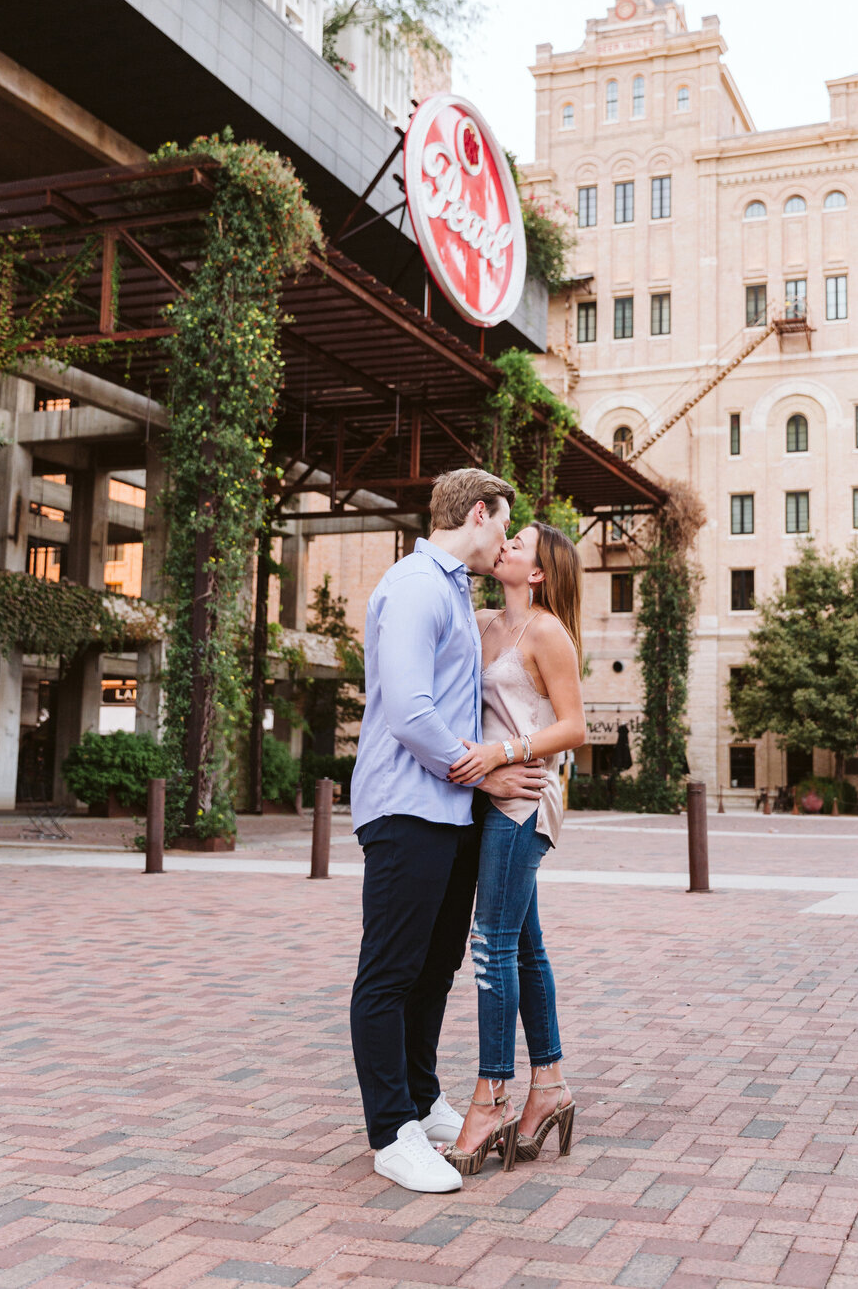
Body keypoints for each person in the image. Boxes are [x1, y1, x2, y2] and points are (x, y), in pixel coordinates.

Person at [349, 469, 548, 1194]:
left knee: (435, 970)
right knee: (391, 972)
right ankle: (389, 1131)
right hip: (406, 807)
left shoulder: (453, 591)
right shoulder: (414, 585)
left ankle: (422, 1101)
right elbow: (409, 708)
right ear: (479, 513)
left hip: (446, 809)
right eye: (505, 523)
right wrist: (487, 774)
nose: (505, 539)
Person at [442, 521, 587, 1175]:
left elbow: (574, 727)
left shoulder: (547, 632)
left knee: (491, 943)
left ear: (538, 573)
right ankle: (550, 1086)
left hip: (524, 798)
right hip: (485, 797)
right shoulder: (482, 620)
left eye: (518, 544)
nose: (504, 546)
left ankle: (492, 1093)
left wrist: (506, 751)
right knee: (523, 946)